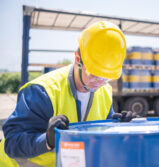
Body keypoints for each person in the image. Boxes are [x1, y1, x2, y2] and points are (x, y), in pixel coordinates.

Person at [0, 21, 136, 167]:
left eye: (106, 77)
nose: (100, 82)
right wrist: (47, 141)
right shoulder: (43, 91)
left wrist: (117, 126)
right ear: (77, 59)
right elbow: (12, 143)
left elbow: (99, 133)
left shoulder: (105, 91)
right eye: (95, 74)